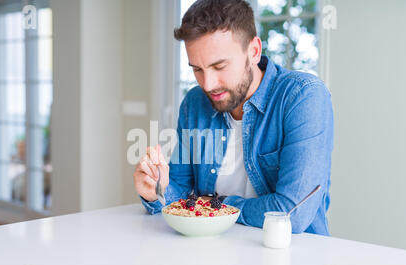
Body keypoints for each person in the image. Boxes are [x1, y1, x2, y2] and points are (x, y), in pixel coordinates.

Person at [133, 0, 334, 235]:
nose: (208, 84)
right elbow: (181, 199)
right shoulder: (194, 104)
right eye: (197, 69)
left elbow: (292, 213)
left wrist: (212, 205)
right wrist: (157, 190)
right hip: (209, 255)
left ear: (254, 52)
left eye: (219, 66)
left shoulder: (303, 97)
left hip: (290, 257)